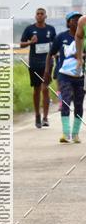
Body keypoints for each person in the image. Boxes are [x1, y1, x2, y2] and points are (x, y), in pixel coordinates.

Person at [44, 11, 83, 143]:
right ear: (68, 22)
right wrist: (47, 72)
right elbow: (50, 54)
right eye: (74, 19)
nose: (77, 21)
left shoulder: (84, 37)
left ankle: (76, 134)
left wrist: (80, 56)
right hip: (64, 75)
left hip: (80, 76)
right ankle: (66, 134)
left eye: (79, 18)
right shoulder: (61, 37)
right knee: (65, 101)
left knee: (78, 104)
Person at [19, 7, 55, 127]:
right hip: (34, 63)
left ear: (45, 16)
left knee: (45, 88)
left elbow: (55, 45)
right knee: (37, 89)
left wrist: (56, 55)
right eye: (37, 14)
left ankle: (45, 117)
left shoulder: (51, 29)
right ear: (35, 16)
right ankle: (37, 115)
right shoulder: (30, 29)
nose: (39, 16)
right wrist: (30, 42)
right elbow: (21, 45)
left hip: (47, 63)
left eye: (42, 14)